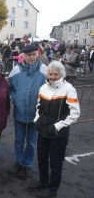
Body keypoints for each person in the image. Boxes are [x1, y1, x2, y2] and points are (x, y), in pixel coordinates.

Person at [30, 61, 80, 197]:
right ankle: (43, 181)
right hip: (43, 131)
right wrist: (37, 119)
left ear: (61, 74)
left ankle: (53, 189)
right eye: (50, 74)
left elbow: (74, 113)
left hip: (59, 134)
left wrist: (58, 125)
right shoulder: (43, 88)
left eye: (55, 74)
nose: (52, 76)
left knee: (55, 163)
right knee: (42, 159)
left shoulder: (69, 89)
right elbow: (38, 106)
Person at [8, 45, 47, 177]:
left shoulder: (44, 70)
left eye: (33, 54)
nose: (31, 57)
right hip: (19, 111)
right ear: (23, 56)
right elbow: (10, 88)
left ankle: (28, 164)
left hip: (36, 113)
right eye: (28, 55)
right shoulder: (16, 70)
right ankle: (18, 162)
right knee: (19, 139)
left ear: (37, 55)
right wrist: (15, 98)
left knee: (31, 141)